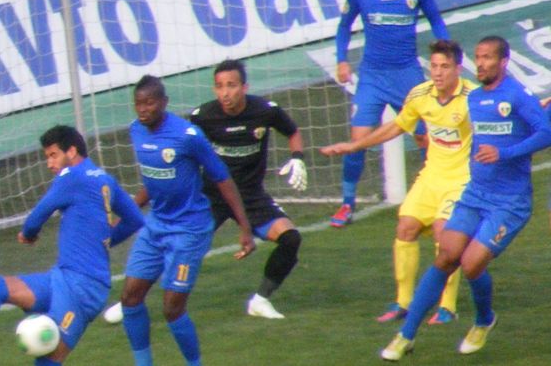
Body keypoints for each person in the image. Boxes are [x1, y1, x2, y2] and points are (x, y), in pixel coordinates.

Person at [379, 36, 551, 360]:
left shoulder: (515, 94)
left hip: (509, 202)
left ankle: (484, 320)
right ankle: (405, 335)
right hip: (475, 194)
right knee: (446, 256)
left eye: (488, 58)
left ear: (503, 62)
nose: (481, 63)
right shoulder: (474, 99)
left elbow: (546, 132)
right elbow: (478, 139)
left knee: (471, 265)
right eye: (478, 57)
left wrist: (505, 153)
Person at [0, 125, 144, 364]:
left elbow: (38, 214)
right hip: (62, 278)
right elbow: (135, 219)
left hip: (83, 289)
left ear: (72, 151)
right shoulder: (105, 179)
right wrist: (102, 242)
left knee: (46, 360)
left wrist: (28, 234)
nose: (49, 163)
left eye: (53, 155)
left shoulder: (71, 177)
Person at [321, 39, 473, 326]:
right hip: (432, 175)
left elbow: (501, 120)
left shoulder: (472, 98)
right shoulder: (420, 94)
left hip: (462, 179)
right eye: (434, 67)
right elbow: (396, 126)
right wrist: (356, 146)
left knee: (444, 234)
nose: (438, 73)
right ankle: (403, 302)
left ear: (458, 69)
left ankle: (447, 306)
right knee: (406, 226)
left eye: (445, 67)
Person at [120, 75, 256, 366]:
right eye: (138, 104)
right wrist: (131, 207)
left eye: (149, 103)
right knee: (130, 297)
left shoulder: (188, 136)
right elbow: (154, 178)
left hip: (188, 230)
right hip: (156, 225)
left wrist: (244, 227)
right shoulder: (135, 131)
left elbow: (222, 178)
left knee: (172, 308)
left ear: (164, 103)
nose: (142, 109)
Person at [331, 0, 448, 228]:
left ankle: (435, 196)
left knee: (425, 137)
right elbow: (344, 27)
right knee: (358, 140)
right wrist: (342, 60)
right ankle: (346, 204)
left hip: (407, 75)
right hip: (372, 76)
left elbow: (435, 18)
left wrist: (446, 53)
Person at [191, 59, 306, 319]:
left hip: (251, 196)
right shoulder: (203, 117)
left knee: (290, 239)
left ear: (244, 87)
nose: (225, 92)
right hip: (213, 195)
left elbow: (293, 131)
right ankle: (131, 300)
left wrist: (298, 157)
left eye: (231, 85)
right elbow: (185, 148)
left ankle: (260, 300)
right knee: (182, 247)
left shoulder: (265, 111)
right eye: (220, 86)